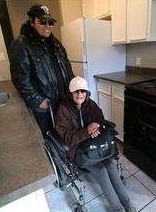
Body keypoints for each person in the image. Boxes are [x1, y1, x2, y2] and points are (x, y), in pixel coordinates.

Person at [54, 76, 136, 212]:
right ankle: (118, 209)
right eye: (76, 91)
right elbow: (66, 137)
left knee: (110, 164)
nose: (80, 94)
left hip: (94, 147)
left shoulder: (90, 104)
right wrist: (86, 132)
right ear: (71, 93)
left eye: (83, 91)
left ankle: (128, 205)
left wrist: (95, 128)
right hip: (77, 151)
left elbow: (100, 118)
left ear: (87, 92)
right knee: (101, 170)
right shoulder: (63, 110)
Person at [9, 4, 74, 136]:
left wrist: (74, 87)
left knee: (65, 133)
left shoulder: (56, 43)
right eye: (42, 21)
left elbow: (67, 67)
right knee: (49, 136)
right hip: (45, 105)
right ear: (32, 21)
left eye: (50, 22)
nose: (47, 25)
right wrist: (38, 99)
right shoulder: (22, 44)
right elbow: (20, 79)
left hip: (63, 100)